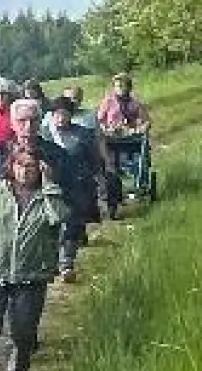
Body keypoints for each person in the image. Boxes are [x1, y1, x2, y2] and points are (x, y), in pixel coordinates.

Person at [0, 146, 69, 371]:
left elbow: (59, 217)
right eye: (20, 165)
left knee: (23, 333)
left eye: (32, 166)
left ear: (41, 169)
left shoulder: (46, 196)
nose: (25, 171)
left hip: (31, 275)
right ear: (11, 166)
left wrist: (49, 185)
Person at [43, 96, 103, 282]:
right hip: (51, 186)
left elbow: (93, 158)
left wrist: (97, 176)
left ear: (71, 115)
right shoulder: (44, 135)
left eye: (64, 114)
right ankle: (51, 261)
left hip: (77, 183)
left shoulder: (83, 134)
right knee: (52, 223)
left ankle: (67, 263)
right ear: (52, 116)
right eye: (57, 114)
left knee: (73, 222)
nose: (60, 118)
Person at [0, 99, 72, 189]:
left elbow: (72, 189)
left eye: (33, 120)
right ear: (12, 124)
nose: (28, 126)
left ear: (40, 123)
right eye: (22, 121)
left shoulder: (57, 154)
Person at [98, 73, 152, 217]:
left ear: (129, 87)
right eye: (117, 86)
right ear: (113, 88)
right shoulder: (107, 102)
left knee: (139, 162)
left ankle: (141, 185)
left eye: (123, 85)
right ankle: (112, 204)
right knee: (110, 169)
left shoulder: (135, 103)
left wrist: (141, 128)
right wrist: (107, 129)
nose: (121, 88)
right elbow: (99, 121)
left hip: (131, 139)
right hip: (112, 140)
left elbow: (146, 121)